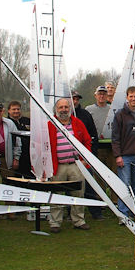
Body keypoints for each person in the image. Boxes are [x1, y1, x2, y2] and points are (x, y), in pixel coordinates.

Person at [47, 98, 91, 231]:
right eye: (61, 107)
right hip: (57, 166)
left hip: (75, 165)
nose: (64, 110)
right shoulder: (50, 124)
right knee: (57, 193)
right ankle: (55, 222)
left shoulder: (78, 123)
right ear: (56, 109)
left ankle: (78, 220)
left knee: (78, 193)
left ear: (70, 108)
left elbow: (87, 141)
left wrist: (85, 159)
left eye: (66, 107)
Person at [71, 90, 103, 220]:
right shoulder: (61, 116)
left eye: (77, 99)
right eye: (72, 98)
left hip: (85, 157)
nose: (75, 101)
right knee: (71, 187)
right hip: (68, 159)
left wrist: (90, 156)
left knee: (90, 185)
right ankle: (71, 213)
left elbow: (93, 136)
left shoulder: (85, 115)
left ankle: (96, 212)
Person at [112, 86, 135, 216]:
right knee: (125, 186)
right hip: (125, 156)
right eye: (131, 96)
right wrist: (118, 155)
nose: (133, 99)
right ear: (127, 97)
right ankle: (123, 213)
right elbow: (115, 137)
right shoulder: (120, 114)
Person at [0, 101, 21, 181]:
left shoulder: (9, 123)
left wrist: (16, 158)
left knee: (9, 182)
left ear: (3, 111)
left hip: (6, 159)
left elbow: (18, 141)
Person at [6, 100, 32, 178]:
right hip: (15, 156)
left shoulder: (27, 121)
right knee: (17, 179)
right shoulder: (7, 123)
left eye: (18, 109)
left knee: (30, 178)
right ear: (9, 111)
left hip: (28, 156)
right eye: (14, 109)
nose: (16, 111)